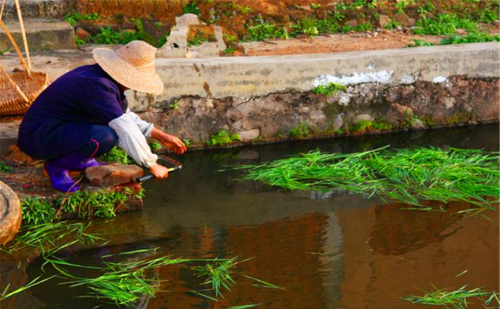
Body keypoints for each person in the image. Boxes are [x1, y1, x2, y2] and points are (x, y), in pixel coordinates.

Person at [18, 40, 187, 193]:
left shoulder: (103, 79)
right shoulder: (97, 86)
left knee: (107, 131)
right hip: (38, 136)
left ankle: (77, 160)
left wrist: (161, 136)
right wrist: (152, 164)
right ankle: (56, 166)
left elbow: (126, 117)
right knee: (105, 136)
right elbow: (125, 128)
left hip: (59, 127)